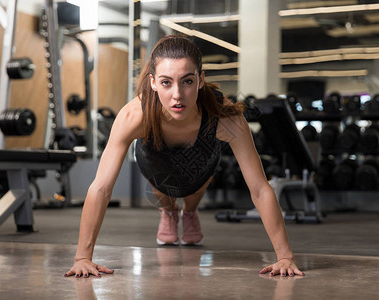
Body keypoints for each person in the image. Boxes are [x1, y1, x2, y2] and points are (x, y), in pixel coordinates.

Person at [65, 35, 304, 278]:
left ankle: (189, 212)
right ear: (153, 82)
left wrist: (285, 257)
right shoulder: (134, 116)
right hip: (155, 156)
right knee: (166, 184)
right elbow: (101, 187)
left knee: (193, 181)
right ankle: (168, 211)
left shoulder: (226, 118)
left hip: (201, 160)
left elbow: (260, 189)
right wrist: (82, 257)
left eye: (187, 81)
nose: (177, 95)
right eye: (166, 82)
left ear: (201, 80)